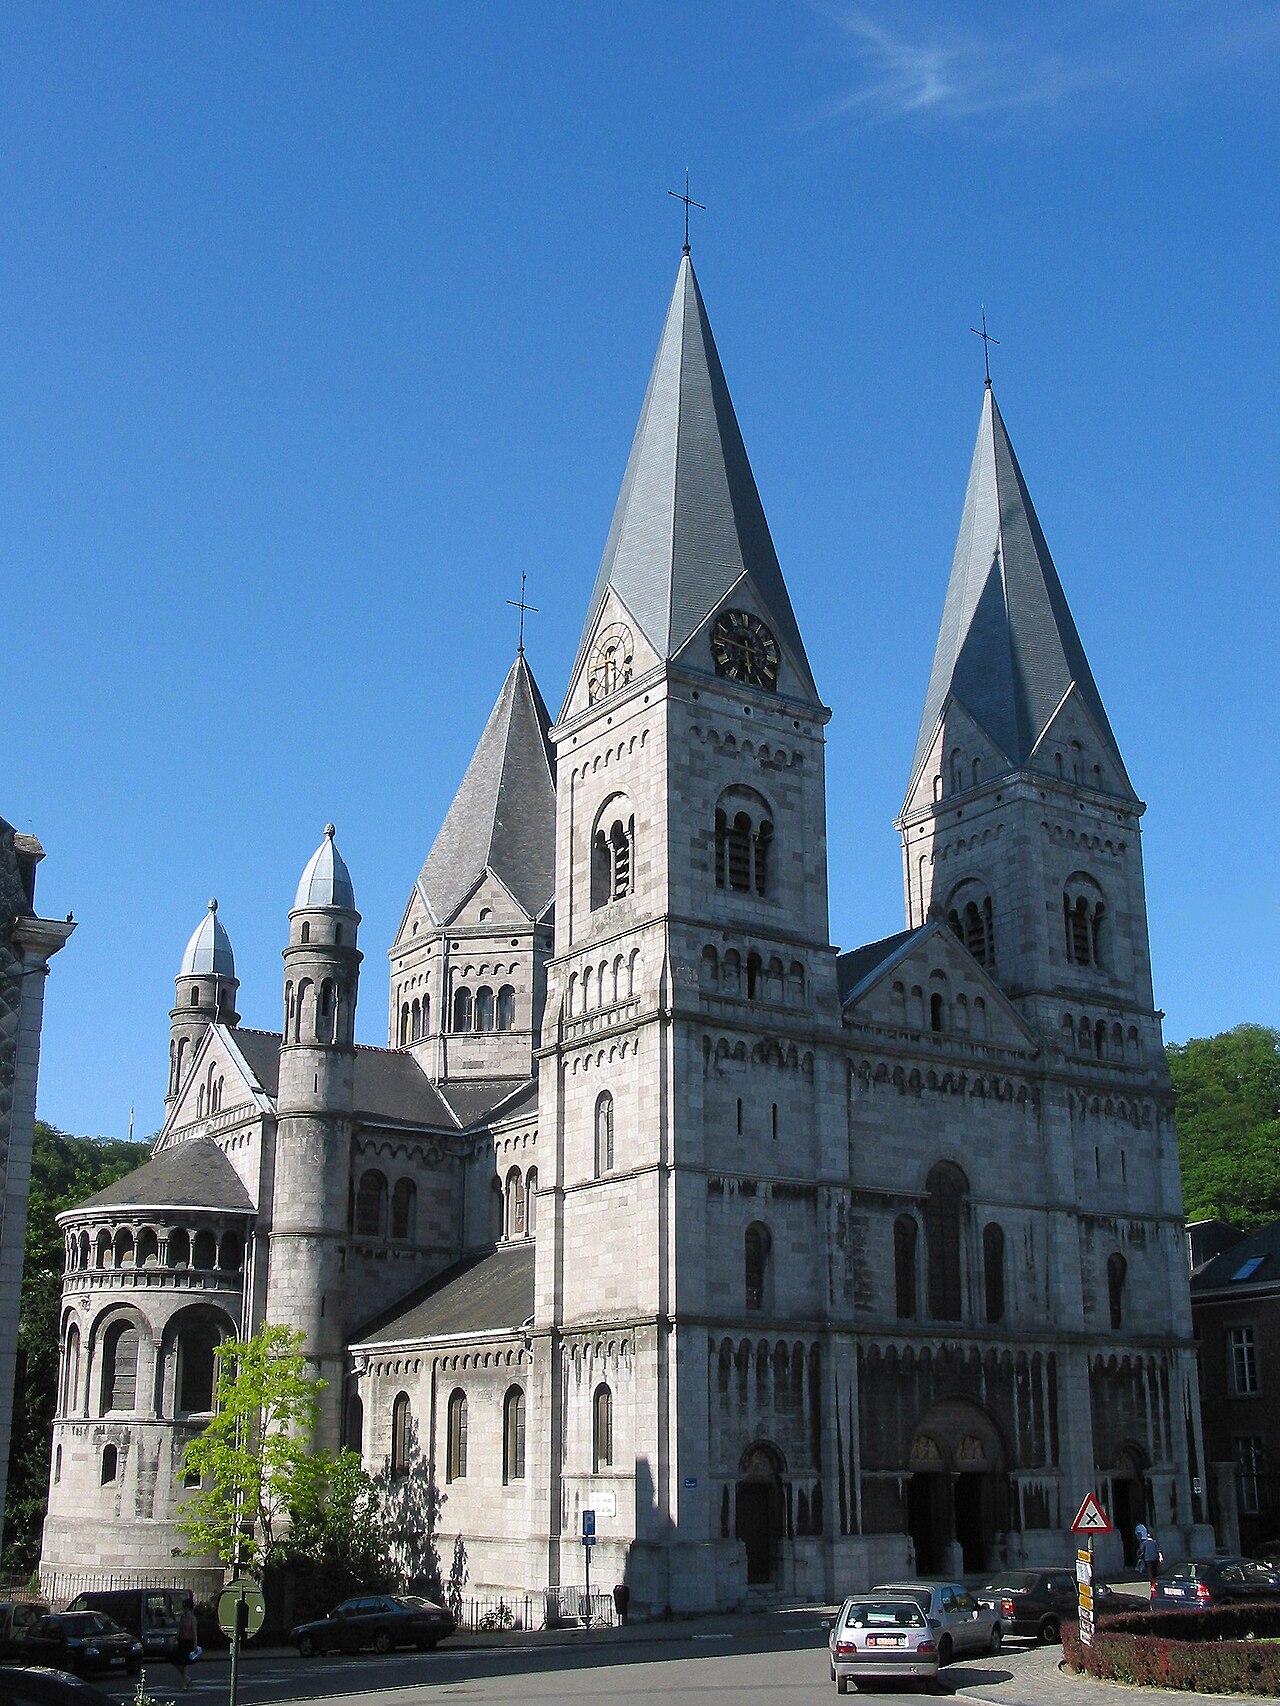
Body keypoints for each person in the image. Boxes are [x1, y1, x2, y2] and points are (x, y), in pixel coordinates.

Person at [176, 1596, 199, 1692]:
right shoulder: (182, 1617)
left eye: (184, 1606)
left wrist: (195, 1644)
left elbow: (194, 1632)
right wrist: (175, 1639)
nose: (182, 1608)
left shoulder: (192, 1618)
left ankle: (184, 1684)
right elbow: (179, 1629)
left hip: (188, 1641)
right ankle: (187, 1679)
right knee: (177, 1662)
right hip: (181, 1640)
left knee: (185, 1664)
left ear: (187, 1607)